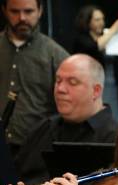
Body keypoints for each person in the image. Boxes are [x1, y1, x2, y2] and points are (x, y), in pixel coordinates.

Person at [12, 53, 117, 185]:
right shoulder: (43, 127)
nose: (60, 89)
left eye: (72, 82)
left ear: (96, 91)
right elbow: (14, 177)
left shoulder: (114, 139)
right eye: (58, 80)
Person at [0, 0, 69, 149]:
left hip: (36, 150)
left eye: (28, 11)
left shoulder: (56, 55)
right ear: (5, 11)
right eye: (15, 11)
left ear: (40, 11)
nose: (22, 18)